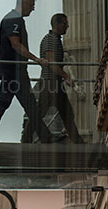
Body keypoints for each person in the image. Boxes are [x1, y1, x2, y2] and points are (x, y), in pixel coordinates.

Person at [0, 0, 64, 144]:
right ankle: (46, 138)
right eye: (31, 5)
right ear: (23, 3)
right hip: (14, 71)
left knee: (11, 103)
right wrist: (36, 59)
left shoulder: (14, 19)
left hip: (14, 70)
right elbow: (16, 44)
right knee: (24, 104)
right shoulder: (13, 20)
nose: (32, 9)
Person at [35, 13, 84, 143]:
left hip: (55, 83)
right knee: (39, 114)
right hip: (50, 84)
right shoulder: (50, 40)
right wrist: (66, 76)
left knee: (67, 114)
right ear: (57, 24)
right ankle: (26, 140)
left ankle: (78, 142)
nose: (67, 26)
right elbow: (52, 63)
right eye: (64, 23)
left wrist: (63, 77)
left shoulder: (55, 40)